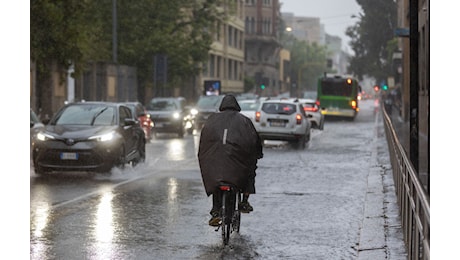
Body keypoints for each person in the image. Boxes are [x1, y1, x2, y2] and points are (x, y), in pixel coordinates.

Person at [198, 94, 263, 226]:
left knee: (216, 177)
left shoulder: (212, 119)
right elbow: (254, 140)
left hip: (215, 160)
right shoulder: (244, 121)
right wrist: (257, 154)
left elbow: (204, 142)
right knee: (250, 170)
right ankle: (244, 200)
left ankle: (215, 210)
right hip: (238, 161)